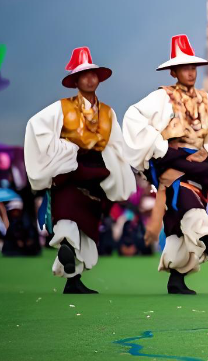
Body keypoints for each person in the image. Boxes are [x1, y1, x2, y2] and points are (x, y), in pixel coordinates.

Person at [122, 34, 208, 295]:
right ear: (174, 71)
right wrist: (159, 146)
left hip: (196, 165)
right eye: (185, 68)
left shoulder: (205, 100)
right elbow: (134, 117)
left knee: (176, 224)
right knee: (188, 204)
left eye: (193, 67)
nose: (190, 72)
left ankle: (177, 279)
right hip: (171, 165)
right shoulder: (162, 97)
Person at [24, 47, 136, 293]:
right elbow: (36, 127)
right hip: (71, 171)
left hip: (96, 174)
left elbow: (117, 145)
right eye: (83, 74)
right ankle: (66, 249)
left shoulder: (107, 112)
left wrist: (121, 171)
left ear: (98, 78)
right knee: (67, 217)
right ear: (75, 80)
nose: (89, 78)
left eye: (92, 74)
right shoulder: (61, 108)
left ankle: (72, 279)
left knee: (84, 225)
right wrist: (63, 149)